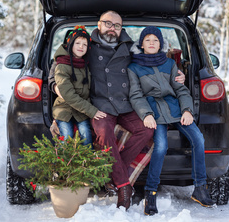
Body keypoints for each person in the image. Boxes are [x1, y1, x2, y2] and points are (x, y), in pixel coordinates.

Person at [49, 11, 185, 210]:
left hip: (126, 103)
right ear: (99, 25)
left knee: (146, 130)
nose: (112, 29)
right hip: (100, 104)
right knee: (104, 132)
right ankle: (123, 186)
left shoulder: (130, 48)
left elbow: (155, 59)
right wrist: (54, 84)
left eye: (117, 25)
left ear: (122, 29)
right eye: (108, 24)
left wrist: (177, 73)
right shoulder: (87, 45)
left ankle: (112, 173)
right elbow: (63, 59)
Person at [127, 26, 215, 216]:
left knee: (198, 139)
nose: (151, 43)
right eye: (148, 39)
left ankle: (200, 188)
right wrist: (146, 114)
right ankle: (150, 193)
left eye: (156, 40)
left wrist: (187, 110)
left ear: (161, 44)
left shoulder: (169, 64)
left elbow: (181, 89)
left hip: (175, 109)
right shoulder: (133, 67)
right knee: (160, 147)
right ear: (141, 44)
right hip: (154, 113)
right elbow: (135, 95)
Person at [52, 26, 107, 146]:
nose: (81, 47)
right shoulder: (61, 66)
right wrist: (92, 111)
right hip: (64, 109)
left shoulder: (86, 65)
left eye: (85, 44)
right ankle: (65, 163)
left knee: (86, 136)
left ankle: (87, 163)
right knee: (67, 137)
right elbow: (68, 95)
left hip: (81, 111)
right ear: (70, 44)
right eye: (77, 43)